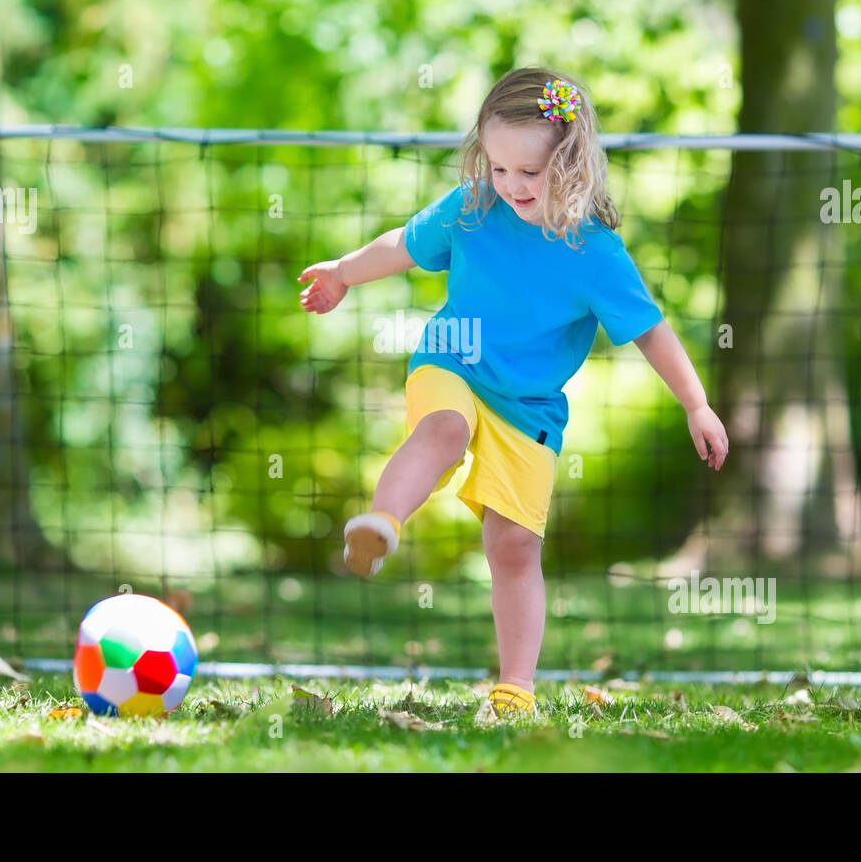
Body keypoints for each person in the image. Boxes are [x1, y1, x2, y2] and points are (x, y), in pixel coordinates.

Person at [297, 66, 729, 717]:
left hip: (529, 408)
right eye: (499, 168)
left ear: (573, 159)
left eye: (529, 172)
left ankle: (514, 688)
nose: (511, 186)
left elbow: (652, 333)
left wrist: (696, 403)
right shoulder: (472, 207)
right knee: (442, 432)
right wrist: (343, 274)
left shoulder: (596, 253)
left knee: (515, 545)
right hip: (452, 362)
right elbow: (404, 247)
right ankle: (379, 526)